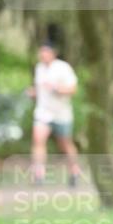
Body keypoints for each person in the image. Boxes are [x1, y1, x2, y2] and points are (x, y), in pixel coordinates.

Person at [27, 41, 81, 185]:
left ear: (53, 53)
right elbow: (40, 90)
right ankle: (39, 175)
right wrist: (33, 93)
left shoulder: (63, 68)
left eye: (46, 52)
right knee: (38, 140)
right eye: (41, 52)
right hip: (43, 113)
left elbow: (73, 89)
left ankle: (74, 171)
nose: (43, 55)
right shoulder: (39, 68)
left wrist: (56, 88)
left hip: (62, 114)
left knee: (65, 145)